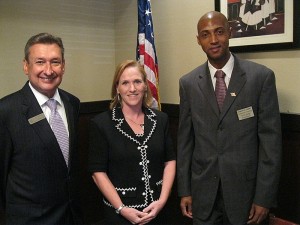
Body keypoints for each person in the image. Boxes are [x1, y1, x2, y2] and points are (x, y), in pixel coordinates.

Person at [177, 11, 282, 225]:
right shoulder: (188, 83)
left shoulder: (260, 78)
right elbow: (185, 143)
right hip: (203, 195)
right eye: (206, 35)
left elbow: (271, 145)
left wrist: (264, 197)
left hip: (246, 197)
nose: (213, 40)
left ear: (230, 33)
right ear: (199, 40)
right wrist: (185, 190)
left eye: (219, 32)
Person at [0, 33, 83, 225]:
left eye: (55, 62)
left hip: (71, 216)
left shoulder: (72, 103)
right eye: (39, 62)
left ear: (63, 66)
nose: (48, 70)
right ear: (26, 66)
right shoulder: (7, 111)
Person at [88, 60, 176, 225]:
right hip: (120, 215)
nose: (132, 88)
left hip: (158, 211)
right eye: (125, 83)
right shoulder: (102, 124)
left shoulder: (160, 119)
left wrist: (162, 200)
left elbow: (170, 161)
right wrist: (121, 208)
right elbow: (97, 173)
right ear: (117, 88)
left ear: (145, 86)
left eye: (137, 81)